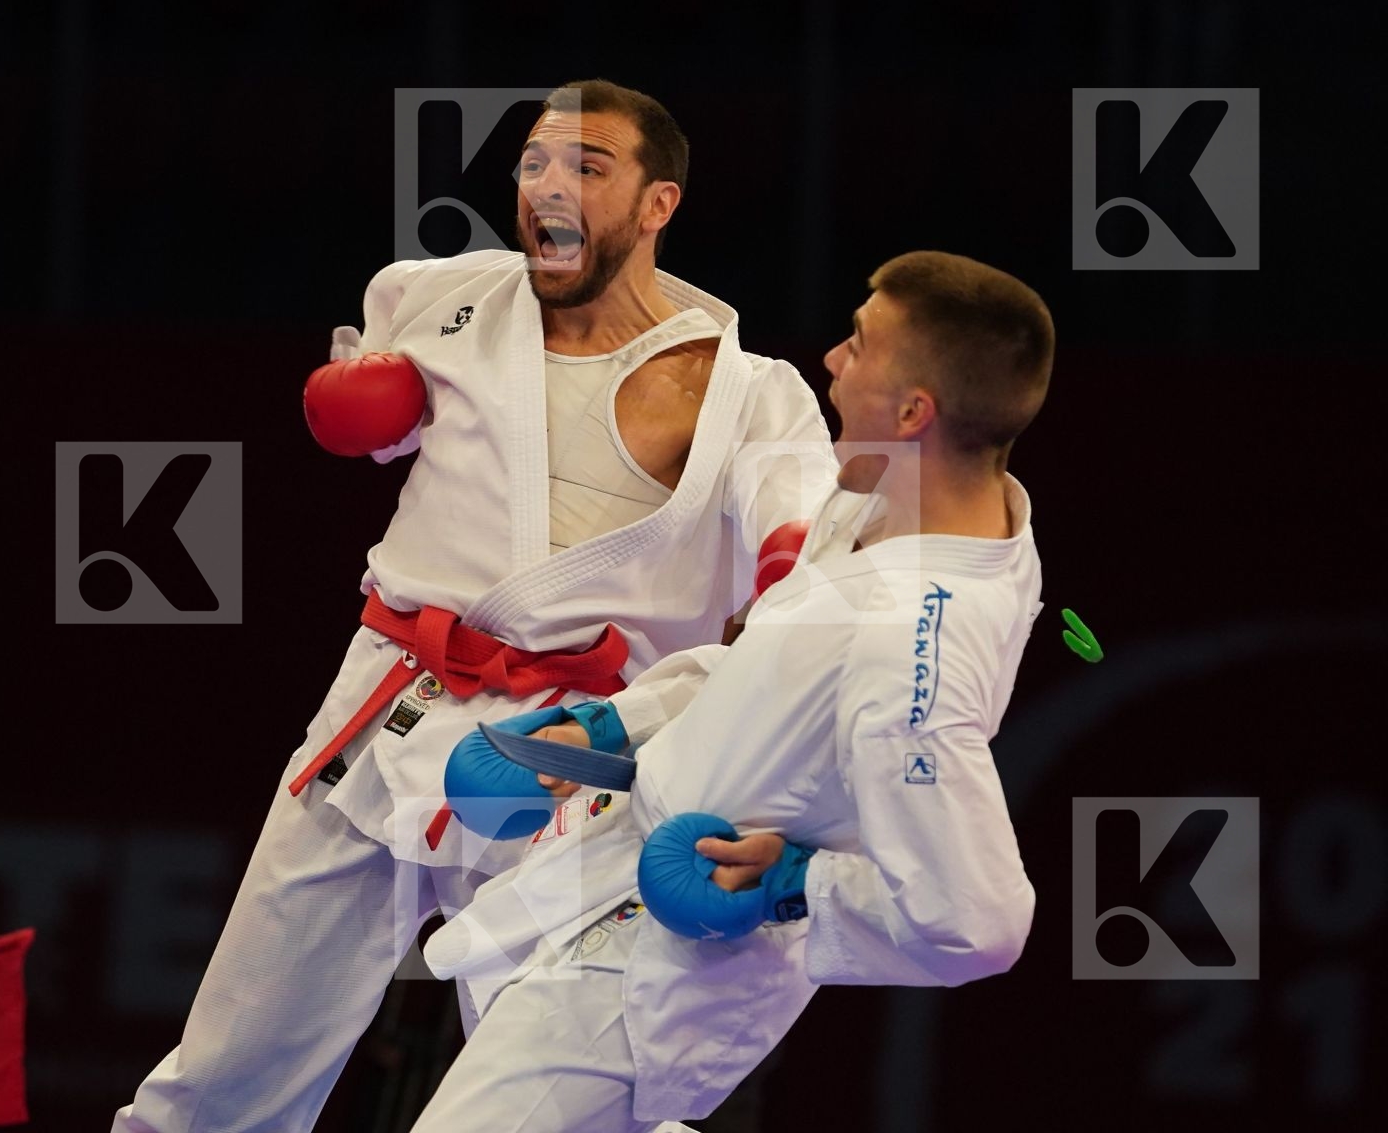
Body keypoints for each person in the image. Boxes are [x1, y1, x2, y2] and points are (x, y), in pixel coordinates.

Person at [114, 80, 835, 1132]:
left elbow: (801, 546)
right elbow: (376, 404)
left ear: (655, 206)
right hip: (389, 701)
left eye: (587, 166)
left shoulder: (749, 392)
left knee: (562, 1081)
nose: (549, 184)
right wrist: (369, 404)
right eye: (534, 163)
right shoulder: (441, 298)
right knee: (231, 1062)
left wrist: (788, 577)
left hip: (571, 751)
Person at [414, 250, 1054, 1131]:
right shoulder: (893, 504)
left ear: (915, 411)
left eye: (861, 345)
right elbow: (768, 675)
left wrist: (798, 885)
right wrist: (617, 727)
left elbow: (979, 921)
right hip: (607, 872)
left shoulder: (913, 657)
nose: (833, 359)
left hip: (671, 968)